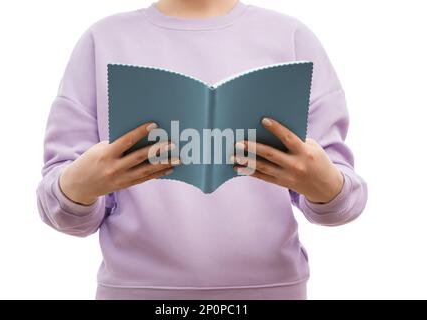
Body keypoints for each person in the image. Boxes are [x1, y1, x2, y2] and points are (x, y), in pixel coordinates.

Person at [36, 0, 368, 299]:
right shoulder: (103, 39)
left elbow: (343, 199)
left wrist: (323, 185)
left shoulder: (292, 37)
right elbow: (59, 207)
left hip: (273, 290)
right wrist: (80, 188)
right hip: (135, 292)